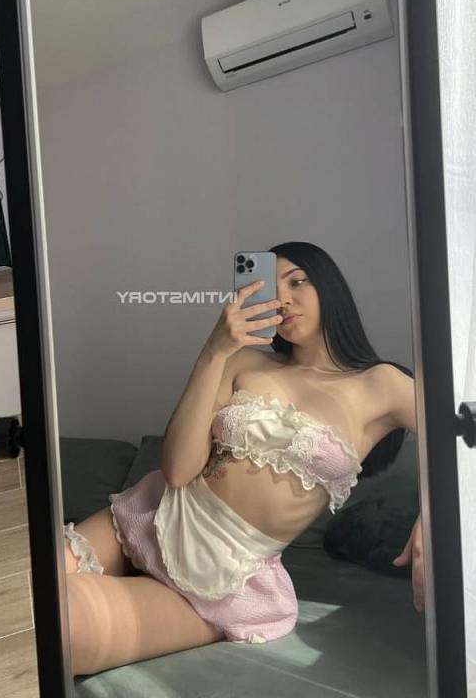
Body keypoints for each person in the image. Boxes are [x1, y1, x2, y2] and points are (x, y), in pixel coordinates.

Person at [63, 241, 423, 676]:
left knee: (65, 623)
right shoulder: (245, 360)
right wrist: (214, 350)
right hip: (155, 511)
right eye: (272, 287)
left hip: (225, 575)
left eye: (297, 281)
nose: (284, 299)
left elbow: (462, 432)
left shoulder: (381, 384)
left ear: (330, 286)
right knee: (31, 586)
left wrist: (432, 515)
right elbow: (178, 470)